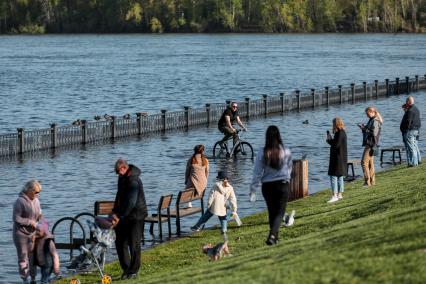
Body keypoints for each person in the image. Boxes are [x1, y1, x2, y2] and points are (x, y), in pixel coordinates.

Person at [250, 125, 293, 245]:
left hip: (268, 186)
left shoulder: (262, 151)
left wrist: (253, 189)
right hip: (283, 184)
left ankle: (275, 238)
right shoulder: (286, 150)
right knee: (280, 211)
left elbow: (257, 172)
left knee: (272, 211)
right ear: (279, 136)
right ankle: (273, 235)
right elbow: (289, 168)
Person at [111, 159, 148, 280]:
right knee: (120, 242)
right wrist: (114, 211)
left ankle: (133, 270)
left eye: (118, 172)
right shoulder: (122, 179)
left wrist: (120, 216)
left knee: (134, 243)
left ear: (124, 168)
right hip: (124, 216)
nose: (118, 174)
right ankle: (126, 268)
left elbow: (131, 202)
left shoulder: (134, 181)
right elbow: (119, 196)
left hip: (136, 216)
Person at [191, 171, 237, 239]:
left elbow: (211, 196)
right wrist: (234, 209)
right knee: (223, 217)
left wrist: (209, 205)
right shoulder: (230, 187)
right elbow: (233, 199)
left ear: (219, 179)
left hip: (214, 205)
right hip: (222, 206)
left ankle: (197, 227)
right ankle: (224, 230)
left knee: (206, 215)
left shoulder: (215, 186)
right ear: (227, 179)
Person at [13, 180, 43, 284]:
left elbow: (39, 213)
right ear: (29, 190)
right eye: (36, 192)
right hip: (20, 234)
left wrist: (41, 219)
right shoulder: (20, 201)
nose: (38, 194)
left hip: (33, 234)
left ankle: (33, 279)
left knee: (33, 257)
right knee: (23, 257)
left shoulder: (36, 200)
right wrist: (30, 222)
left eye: (39, 192)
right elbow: (16, 218)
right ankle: (25, 279)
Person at [358, 106, 383, 187]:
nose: (366, 115)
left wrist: (364, 129)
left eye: (367, 113)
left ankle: (367, 182)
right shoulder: (372, 120)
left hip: (371, 144)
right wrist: (364, 127)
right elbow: (370, 130)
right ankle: (372, 182)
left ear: (372, 112)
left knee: (363, 162)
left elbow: (374, 133)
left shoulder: (375, 121)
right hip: (372, 144)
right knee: (370, 164)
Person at [326, 117, 348, 203]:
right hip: (342, 158)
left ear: (336, 124)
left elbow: (336, 145)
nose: (332, 126)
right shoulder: (343, 133)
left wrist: (329, 140)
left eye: (333, 124)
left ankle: (334, 195)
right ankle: (340, 194)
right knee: (340, 176)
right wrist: (331, 140)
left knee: (334, 176)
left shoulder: (339, 133)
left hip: (337, 158)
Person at [33, 218, 60, 284]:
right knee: (45, 277)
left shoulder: (49, 242)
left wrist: (56, 267)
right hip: (42, 264)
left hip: (48, 265)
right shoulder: (37, 240)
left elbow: (55, 255)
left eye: (39, 231)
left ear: (45, 231)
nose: (37, 232)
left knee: (44, 279)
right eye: (36, 230)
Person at [400, 96, 421, 167]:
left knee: (411, 148)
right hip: (416, 130)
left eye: (406, 102)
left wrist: (405, 130)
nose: (405, 103)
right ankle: (417, 161)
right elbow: (417, 121)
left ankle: (413, 163)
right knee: (414, 146)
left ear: (409, 102)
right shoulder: (416, 109)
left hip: (410, 131)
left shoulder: (410, 111)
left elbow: (408, 122)